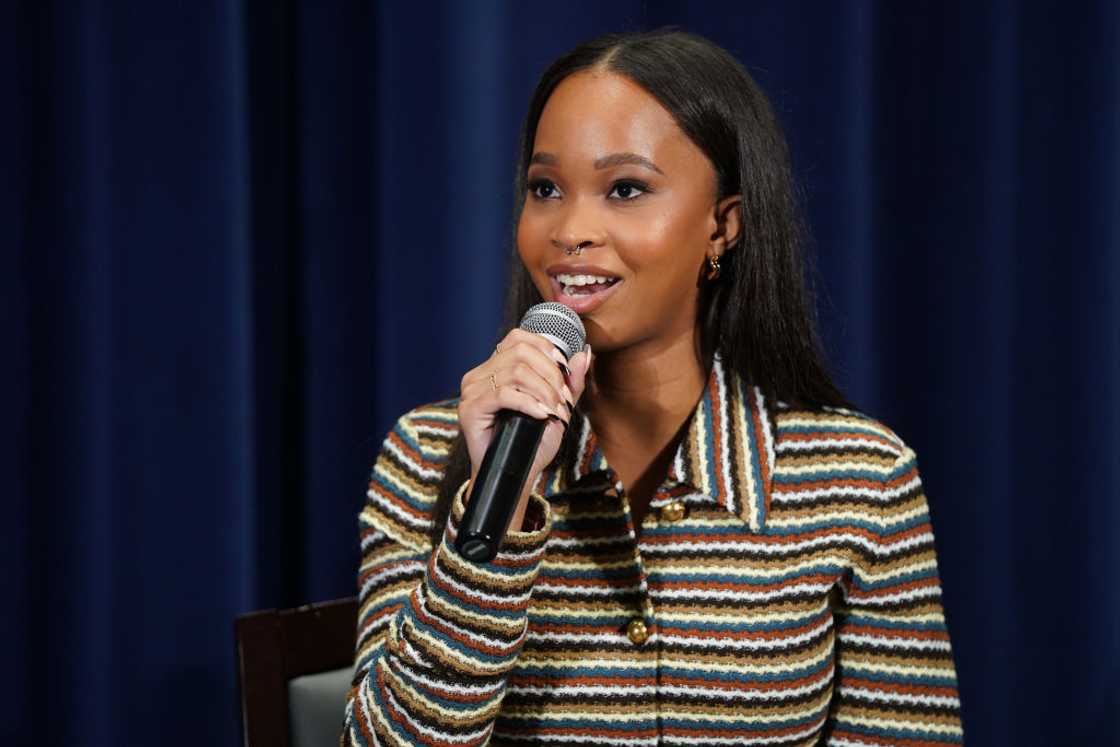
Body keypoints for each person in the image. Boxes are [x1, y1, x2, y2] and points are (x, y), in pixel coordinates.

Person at [341, 28, 963, 746]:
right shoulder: (426, 457)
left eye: (625, 188)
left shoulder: (862, 479)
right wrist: (497, 509)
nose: (570, 229)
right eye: (546, 188)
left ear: (722, 226)